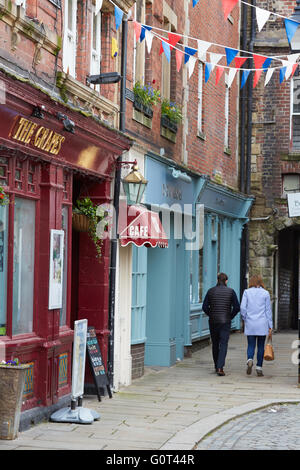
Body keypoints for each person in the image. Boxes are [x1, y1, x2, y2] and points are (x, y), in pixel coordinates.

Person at [202, 273, 240, 376]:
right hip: (225, 322)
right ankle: (220, 367)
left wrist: (211, 314)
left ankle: (216, 365)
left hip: (213, 321)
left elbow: (204, 307)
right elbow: (237, 307)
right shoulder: (231, 292)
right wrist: (230, 316)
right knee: (223, 344)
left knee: (215, 344)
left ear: (217, 280)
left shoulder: (210, 291)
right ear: (226, 281)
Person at [240, 274, 273, 377]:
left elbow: (243, 308)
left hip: (250, 322)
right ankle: (259, 367)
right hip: (262, 323)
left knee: (250, 344)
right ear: (260, 282)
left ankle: (249, 359)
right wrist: (270, 325)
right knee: (260, 346)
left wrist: (245, 318)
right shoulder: (265, 293)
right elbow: (268, 311)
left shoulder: (246, 292)